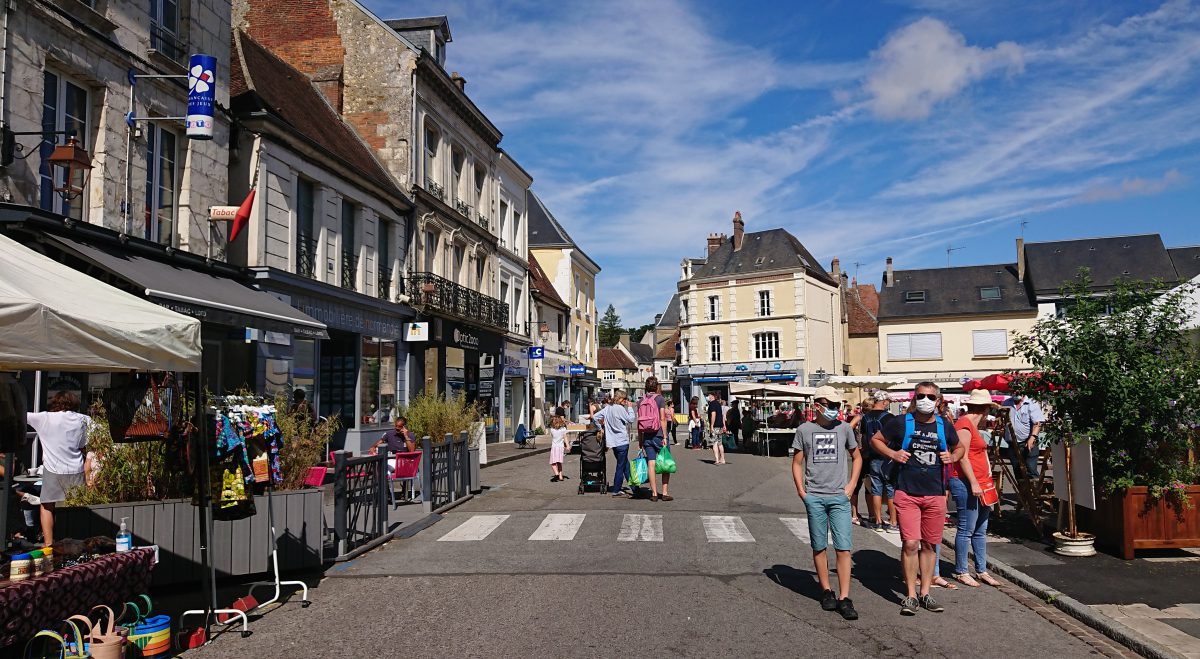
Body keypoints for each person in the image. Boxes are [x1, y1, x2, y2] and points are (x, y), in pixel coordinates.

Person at [870, 382, 964, 615]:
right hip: (907, 492)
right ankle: (911, 595)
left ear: (938, 400)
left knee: (930, 544)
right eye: (921, 396)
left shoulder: (944, 425)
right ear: (914, 398)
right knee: (911, 543)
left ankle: (925, 593)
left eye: (930, 397)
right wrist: (893, 453)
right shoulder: (901, 422)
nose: (925, 400)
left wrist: (952, 457)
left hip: (935, 493)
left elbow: (960, 447)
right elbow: (876, 440)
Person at [792, 386, 862, 621]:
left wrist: (851, 485)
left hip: (839, 496)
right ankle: (826, 590)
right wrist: (802, 491)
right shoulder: (804, 430)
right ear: (818, 406)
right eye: (831, 405)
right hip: (815, 496)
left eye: (837, 405)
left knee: (843, 547)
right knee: (819, 545)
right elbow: (797, 462)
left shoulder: (844, 428)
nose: (835, 409)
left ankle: (845, 597)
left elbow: (857, 457)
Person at [949, 389, 1003, 587]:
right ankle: (962, 570)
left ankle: (981, 569)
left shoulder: (970, 425)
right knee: (967, 528)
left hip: (981, 482)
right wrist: (973, 482)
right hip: (966, 481)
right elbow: (962, 457)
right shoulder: (964, 425)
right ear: (985, 409)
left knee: (980, 529)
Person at [26, 391, 92, 546]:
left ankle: (49, 544)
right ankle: (77, 542)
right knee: (77, 508)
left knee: (47, 506)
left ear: (55, 402)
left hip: (52, 469)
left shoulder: (44, 418)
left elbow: (21, 415)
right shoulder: (84, 419)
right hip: (75, 469)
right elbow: (89, 442)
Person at [858, 391, 897, 533]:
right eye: (888, 402)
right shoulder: (889, 417)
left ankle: (878, 521)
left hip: (872, 456)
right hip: (888, 456)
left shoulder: (865, 417)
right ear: (884, 402)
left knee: (876, 489)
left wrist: (865, 452)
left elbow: (863, 438)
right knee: (891, 489)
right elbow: (894, 437)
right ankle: (893, 522)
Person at [638, 377, 672, 501]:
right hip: (659, 435)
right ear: (657, 386)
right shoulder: (660, 399)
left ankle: (654, 494)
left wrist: (640, 439)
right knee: (665, 462)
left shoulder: (641, 401)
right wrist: (665, 436)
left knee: (651, 463)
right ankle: (665, 493)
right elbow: (662, 418)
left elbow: (639, 422)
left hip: (647, 436)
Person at [594, 391, 633, 497]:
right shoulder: (620, 408)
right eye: (624, 399)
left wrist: (600, 428)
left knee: (625, 464)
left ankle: (635, 488)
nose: (626, 401)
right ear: (619, 399)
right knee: (621, 466)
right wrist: (630, 408)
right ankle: (616, 489)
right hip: (622, 441)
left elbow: (595, 417)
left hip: (613, 442)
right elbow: (631, 419)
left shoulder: (608, 408)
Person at [1003, 394, 1045, 482]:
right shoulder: (1007, 403)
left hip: (1027, 442)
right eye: (1013, 390)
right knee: (1017, 471)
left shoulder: (1031, 403)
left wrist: (1032, 438)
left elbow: (1037, 423)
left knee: (1030, 469)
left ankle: (1034, 489)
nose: (1015, 392)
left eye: (1018, 390)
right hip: (1012, 443)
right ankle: (1022, 490)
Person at [548, 415, 569, 482]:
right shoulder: (563, 429)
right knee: (559, 463)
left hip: (554, 447)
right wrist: (567, 446)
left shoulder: (552, 430)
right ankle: (560, 476)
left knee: (553, 463)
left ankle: (556, 474)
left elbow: (552, 436)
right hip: (561, 447)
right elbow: (565, 438)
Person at [706, 392, 725, 463]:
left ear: (712, 396)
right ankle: (722, 459)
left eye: (709, 395)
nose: (708, 397)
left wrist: (711, 425)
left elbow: (713, 414)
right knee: (720, 443)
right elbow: (722, 415)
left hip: (715, 426)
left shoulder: (712, 404)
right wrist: (724, 425)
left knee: (714, 443)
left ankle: (717, 459)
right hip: (720, 425)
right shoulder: (718, 404)